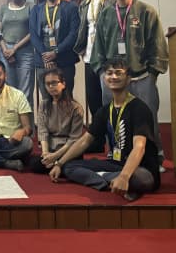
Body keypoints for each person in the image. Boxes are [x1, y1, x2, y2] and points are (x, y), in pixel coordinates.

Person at [49, 59, 161, 201]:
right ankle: (108, 182)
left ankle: (115, 180)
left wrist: (125, 176)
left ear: (128, 79)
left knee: (138, 179)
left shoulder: (139, 109)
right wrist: (59, 163)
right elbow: (85, 141)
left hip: (140, 169)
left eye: (118, 73)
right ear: (105, 78)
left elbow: (139, 147)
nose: (113, 77)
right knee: (69, 166)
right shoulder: (104, 110)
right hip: (115, 164)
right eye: (109, 73)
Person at [91, 0, 169, 166]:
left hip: (141, 76)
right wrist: (101, 72)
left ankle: (155, 156)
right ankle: (114, 154)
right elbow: (98, 44)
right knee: (113, 116)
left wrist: (152, 73)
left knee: (148, 115)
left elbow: (158, 44)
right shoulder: (106, 14)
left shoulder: (146, 11)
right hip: (113, 77)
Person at [73, 0, 115, 152]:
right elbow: (84, 30)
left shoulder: (114, 1)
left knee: (111, 104)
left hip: (109, 61)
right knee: (95, 103)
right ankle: (98, 142)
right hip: (90, 59)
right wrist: (81, 50)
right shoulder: (85, 3)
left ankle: (116, 144)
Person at [29, 0, 79, 100]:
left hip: (64, 60)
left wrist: (56, 52)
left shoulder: (71, 8)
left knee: (66, 98)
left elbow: (73, 34)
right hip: (43, 62)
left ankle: (66, 122)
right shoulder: (36, 10)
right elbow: (33, 35)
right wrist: (46, 56)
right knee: (46, 99)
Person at [28, 68, 84, 174]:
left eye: (54, 83)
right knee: (33, 163)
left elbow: (74, 139)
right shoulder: (44, 105)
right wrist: (45, 154)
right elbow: (42, 132)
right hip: (51, 148)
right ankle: (57, 167)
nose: (50, 87)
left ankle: (59, 166)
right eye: (47, 84)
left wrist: (55, 157)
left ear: (63, 84)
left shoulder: (76, 108)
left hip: (68, 150)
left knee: (71, 165)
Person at [0, 0, 35, 111]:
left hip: (25, 52)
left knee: (26, 92)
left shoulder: (31, 6)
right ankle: (12, 129)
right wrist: (6, 50)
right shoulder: (3, 8)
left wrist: (15, 48)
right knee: (9, 92)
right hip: (6, 52)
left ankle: (27, 130)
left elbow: (33, 32)